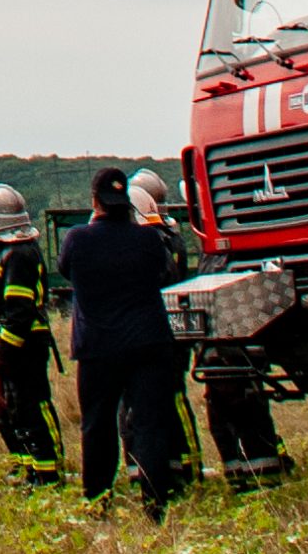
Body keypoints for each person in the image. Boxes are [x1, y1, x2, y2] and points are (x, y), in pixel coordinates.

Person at [57, 167, 184, 519]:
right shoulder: (148, 240)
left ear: (95, 200)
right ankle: (156, 503)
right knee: (149, 423)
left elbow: (67, 270)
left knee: (97, 425)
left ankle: (98, 501)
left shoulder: (77, 239)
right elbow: (162, 274)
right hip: (148, 344)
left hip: (98, 347)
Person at [0, 183, 64, 487]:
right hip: (7, 348)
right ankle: (27, 467)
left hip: (24, 348)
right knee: (11, 411)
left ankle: (48, 474)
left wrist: (4, 356)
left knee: (31, 407)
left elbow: (18, 312)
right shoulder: (3, 252)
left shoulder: (18, 255)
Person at [125, 170, 203, 491]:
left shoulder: (162, 239)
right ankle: (159, 466)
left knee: (172, 400)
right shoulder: (168, 235)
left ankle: (185, 463)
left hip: (165, 334)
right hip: (161, 333)